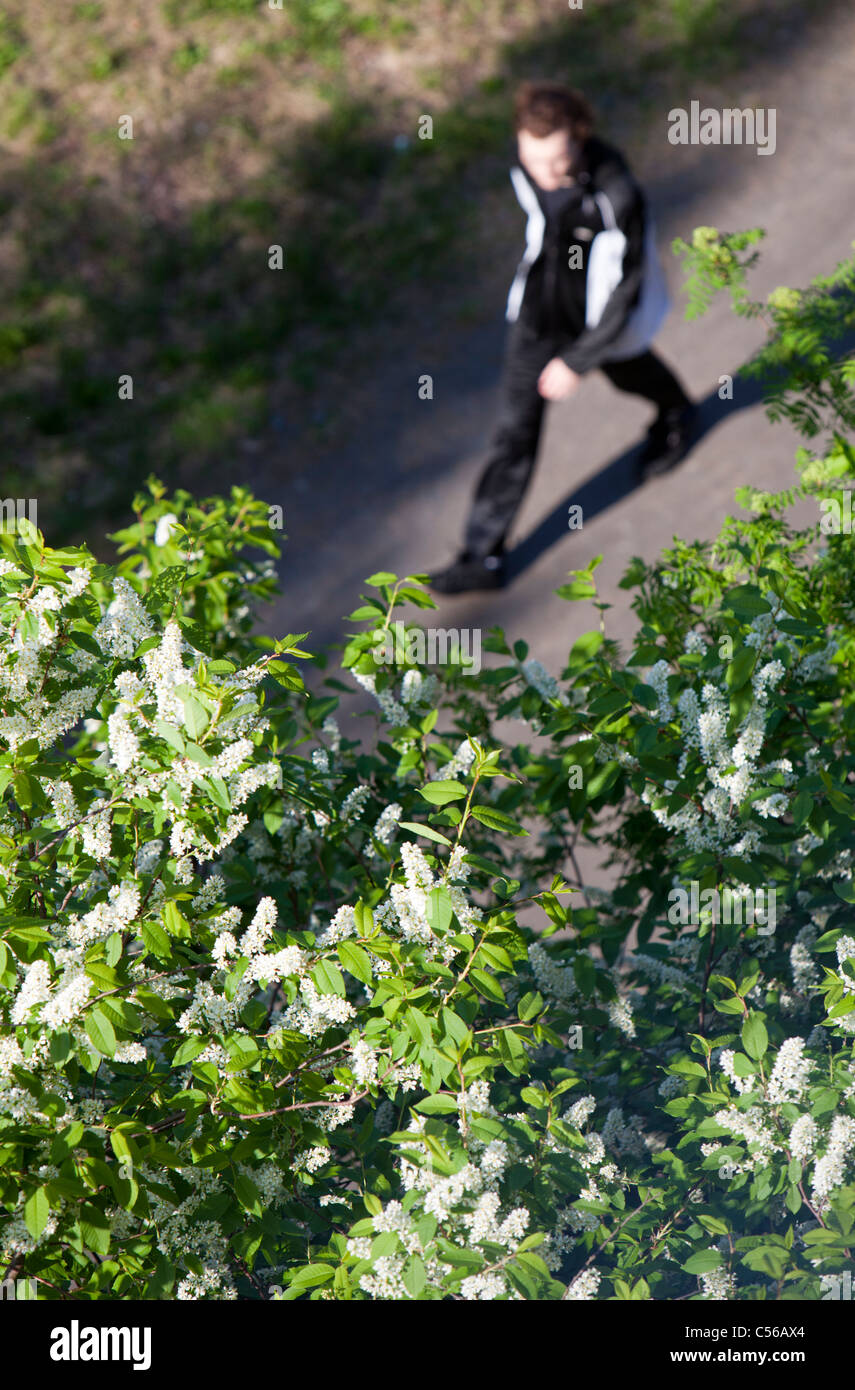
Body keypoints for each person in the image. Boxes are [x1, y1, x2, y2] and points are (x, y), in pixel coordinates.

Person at [429, 80, 696, 594]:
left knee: (630, 371)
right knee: (514, 432)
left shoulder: (617, 195)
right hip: (539, 315)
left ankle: (678, 412)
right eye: (533, 162)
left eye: (556, 162)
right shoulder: (529, 170)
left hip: (598, 321)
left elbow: (625, 288)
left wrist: (577, 360)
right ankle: (482, 556)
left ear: (580, 135)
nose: (545, 176)